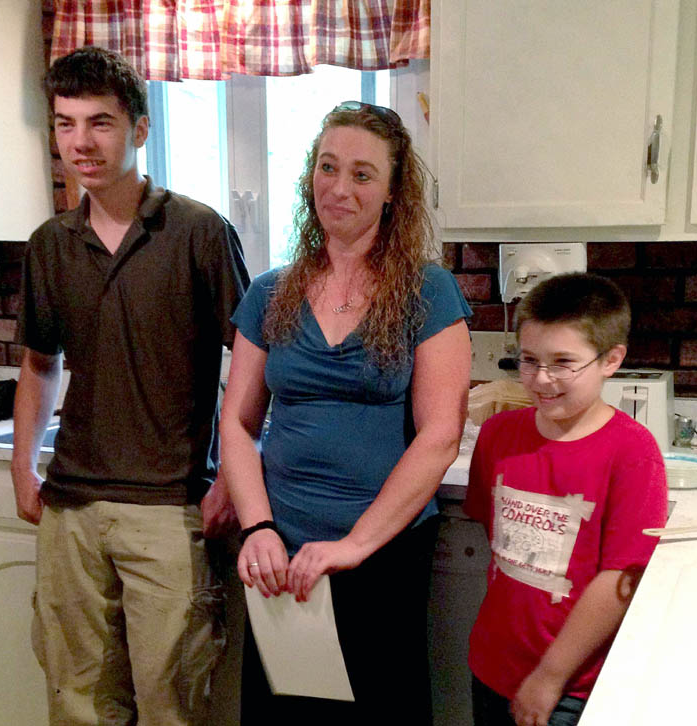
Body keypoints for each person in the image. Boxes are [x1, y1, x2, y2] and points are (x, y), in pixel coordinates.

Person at [11, 46, 250, 726]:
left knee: (173, 703)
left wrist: (231, 476)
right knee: (79, 701)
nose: (80, 142)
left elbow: (250, 365)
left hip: (169, 507)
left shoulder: (199, 232)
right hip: (71, 507)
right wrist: (22, 462)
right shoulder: (50, 243)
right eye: (64, 124)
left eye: (100, 123)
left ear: (139, 130)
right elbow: (39, 365)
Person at [219, 101, 471, 724]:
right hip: (282, 556)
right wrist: (258, 530)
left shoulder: (428, 291)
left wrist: (354, 546)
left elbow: (441, 436)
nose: (339, 187)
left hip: (381, 554)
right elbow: (237, 422)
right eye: (328, 167)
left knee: (379, 709)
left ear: (392, 192)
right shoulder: (269, 292)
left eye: (362, 174)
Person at [464, 273, 668, 726]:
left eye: (563, 363)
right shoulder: (498, 435)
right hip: (492, 663)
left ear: (611, 360)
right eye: (529, 360)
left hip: (568, 684)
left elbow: (622, 581)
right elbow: (493, 533)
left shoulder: (633, 453)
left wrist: (549, 677)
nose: (541, 379)